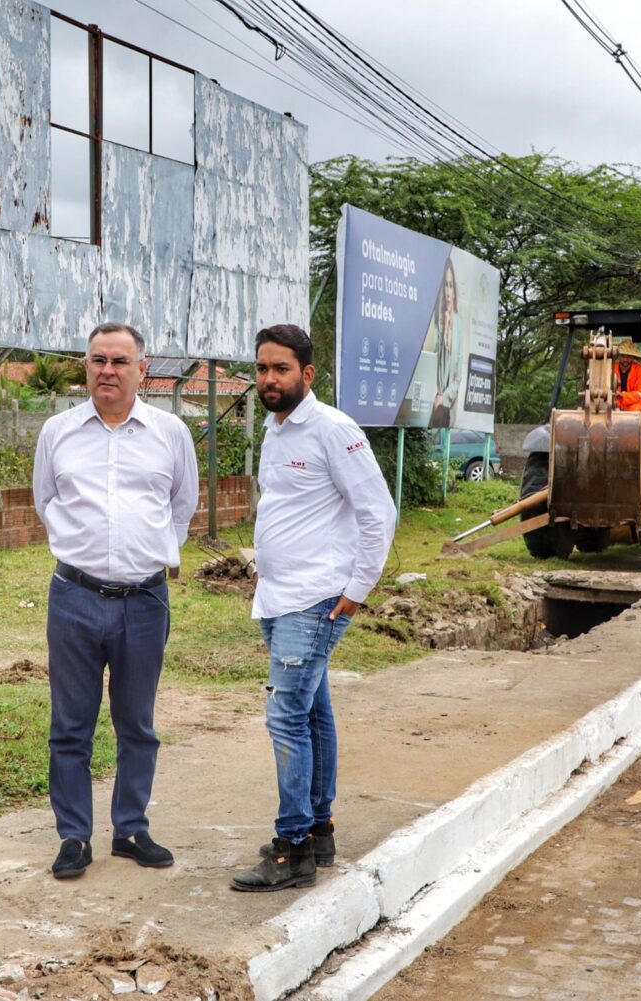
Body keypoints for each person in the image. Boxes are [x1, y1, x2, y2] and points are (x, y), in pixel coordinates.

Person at [231, 324, 396, 893]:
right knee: (312, 712)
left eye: (280, 369)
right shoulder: (275, 431)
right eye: (261, 368)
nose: (268, 379)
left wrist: (359, 590)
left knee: (284, 717)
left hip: (318, 598)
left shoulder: (333, 429)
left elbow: (378, 512)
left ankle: (292, 848)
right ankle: (319, 830)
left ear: (307, 374)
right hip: (278, 598)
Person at [33, 321, 199, 879]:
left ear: (141, 370)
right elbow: (46, 500)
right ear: (86, 366)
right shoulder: (57, 432)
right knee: (70, 727)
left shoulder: (170, 433)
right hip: (74, 598)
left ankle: (130, 829)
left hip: (144, 603)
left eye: (120, 361)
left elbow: (182, 505)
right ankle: (74, 838)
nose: (108, 370)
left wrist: (150, 555)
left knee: (137, 724)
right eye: (98, 359)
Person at [431, 257, 462, 427]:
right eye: (445, 285)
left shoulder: (458, 324)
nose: (448, 292)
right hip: (432, 400)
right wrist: (444, 327)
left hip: (446, 405)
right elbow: (432, 358)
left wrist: (443, 398)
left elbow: (458, 377)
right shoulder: (437, 321)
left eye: (451, 285)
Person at [614, 338, 641, 413]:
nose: (625, 360)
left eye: (628, 357)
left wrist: (623, 395)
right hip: (614, 404)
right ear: (618, 356)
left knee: (636, 410)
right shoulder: (611, 368)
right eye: (623, 356)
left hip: (634, 404)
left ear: (633, 357)